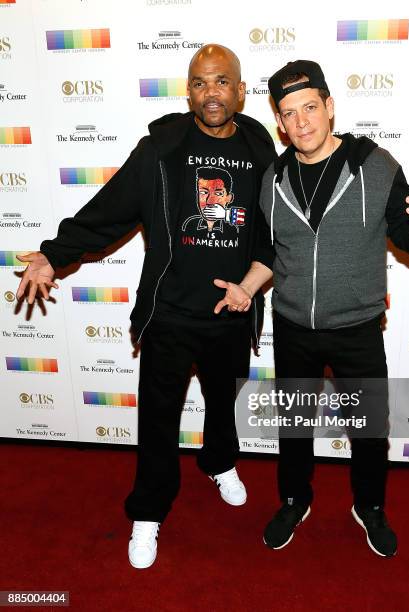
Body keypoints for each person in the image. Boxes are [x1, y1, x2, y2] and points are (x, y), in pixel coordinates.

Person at [15, 44, 276, 569]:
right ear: (189, 91)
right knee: (159, 419)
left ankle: (220, 463)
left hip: (233, 309)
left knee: (224, 405)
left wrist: (250, 285)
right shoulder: (161, 147)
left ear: (242, 90)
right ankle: (149, 512)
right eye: (200, 83)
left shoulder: (260, 146)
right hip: (171, 312)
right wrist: (53, 255)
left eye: (222, 81)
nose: (211, 93)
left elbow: (274, 229)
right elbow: (108, 211)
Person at [219, 59, 409, 557]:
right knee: (295, 427)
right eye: (289, 113)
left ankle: (368, 507)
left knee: (370, 431)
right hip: (295, 325)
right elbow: (270, 255)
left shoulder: (374, 164)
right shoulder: (272, 179)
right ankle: (294, 499)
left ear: (329, 107)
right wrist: (247, 287)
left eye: (310, 108)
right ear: (279, 122)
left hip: (357, 328)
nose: (301, 122)